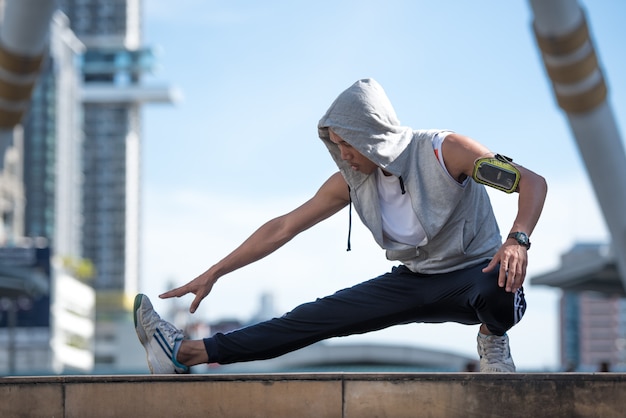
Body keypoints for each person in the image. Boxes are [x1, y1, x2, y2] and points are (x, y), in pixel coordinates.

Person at [134, 78, 547, 374]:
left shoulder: (445, 151)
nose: (343, 154)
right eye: (336, 144)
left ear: (374, 137)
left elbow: (531, 181)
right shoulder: (351, 182)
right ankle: (186, 354)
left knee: (499, 281)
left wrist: (518, 240)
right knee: (309, 319)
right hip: (413, 280)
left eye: (348, 143)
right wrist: (214, 273)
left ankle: (493, 337)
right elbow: (283, 227)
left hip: (475, 274)